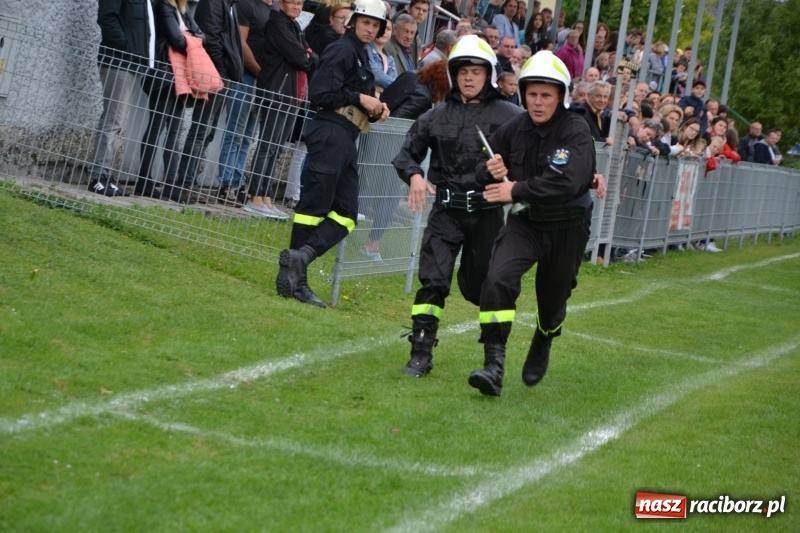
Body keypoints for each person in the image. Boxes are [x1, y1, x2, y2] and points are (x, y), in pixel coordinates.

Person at [391, 35, 523, 377]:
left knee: (491, 285)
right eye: (463, 70)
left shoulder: (511, 115)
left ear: (488, 74)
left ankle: (494, 361)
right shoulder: (436, 116)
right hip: (445, 214)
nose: (468, 77)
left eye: (476, 71)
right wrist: (415, 176)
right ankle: (420, 352)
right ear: (453, 73)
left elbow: (535, 154)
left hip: (486, 214)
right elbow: (406, 154)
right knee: (432, 281)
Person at [467, 51, 596, 396]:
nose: (537, 103)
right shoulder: (515, 127)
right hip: (526, 222)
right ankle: (493, 365)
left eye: (546, 96)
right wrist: (488, 170)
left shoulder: (576, 130)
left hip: (569, 226)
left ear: (561, 96)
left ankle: (545, 337)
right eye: (532, 95)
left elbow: (564, 183)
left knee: (552, 303)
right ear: (523, 93)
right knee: (497, 279)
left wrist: (514, 189)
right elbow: (484, 167)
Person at [275, 0, 390, 307]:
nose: (371, 28)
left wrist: (375, 108)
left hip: (346, 136)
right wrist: (361, 97)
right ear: (353, 21)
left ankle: (301, 257)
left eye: (376, 25)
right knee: (314, 207)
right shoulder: (343, 50)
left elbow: (352, 98)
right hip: (331, 132)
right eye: (366, 22)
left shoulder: (360, 54)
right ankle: (296, 282)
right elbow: (322, 94)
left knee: (347, 214)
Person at [164, 0, 243, 204]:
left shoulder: (230, 5)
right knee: (200, 130)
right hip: (214, 74)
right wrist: (220, 72)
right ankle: (185, 183)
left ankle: (191, 181)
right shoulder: (214, 3)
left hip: (221, 76)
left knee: (207, 132)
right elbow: (211, 38)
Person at [245, 0, 317, 219]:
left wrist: (307, 56)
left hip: (293, 94)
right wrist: (306, 56)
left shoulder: (294, 27)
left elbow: (311, 58)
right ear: (282, 4)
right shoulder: (277, 24)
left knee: (277, 148)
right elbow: (300, 58)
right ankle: (254, 196)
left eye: (299, 3)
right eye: (291, 2)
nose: (296, 7)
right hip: (277, 91)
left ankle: (266, 197)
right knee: (268, 144)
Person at [136, 0, 205, 199]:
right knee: (156, 127)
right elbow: (178, 40)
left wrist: (190, 37)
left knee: (175, 130)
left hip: (181, 77)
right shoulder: (164, 7)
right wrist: (190, 38)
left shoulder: (183, 11)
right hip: (164, 76)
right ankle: (144, 181)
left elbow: (203, 35)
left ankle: (170, 184)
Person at [90, 0, 155, 197]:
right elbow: (107, 17)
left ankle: (105, 176)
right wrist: (125, 47)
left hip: (133, 64)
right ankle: (98, 178)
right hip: (120, 63)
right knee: (113, 120)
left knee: (117, 121)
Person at [214, 0, 274, 208]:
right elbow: (241, 42)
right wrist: (260, 72)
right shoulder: (248, 4)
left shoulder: (274, 9)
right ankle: (226, 184)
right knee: (235, 132)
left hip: (264, 82)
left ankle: (238, 184)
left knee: (248, 137)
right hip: (246, 77)